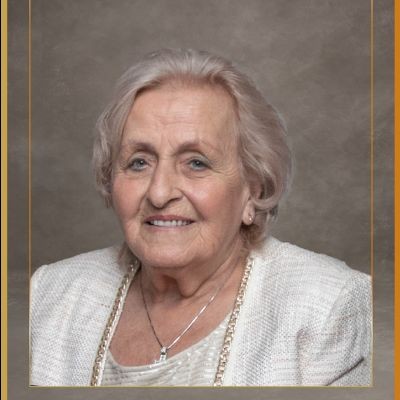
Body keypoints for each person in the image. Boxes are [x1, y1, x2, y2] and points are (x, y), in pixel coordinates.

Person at [30, 48, 371, 387]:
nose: (159, 193)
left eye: (196, 163)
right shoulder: (50, 292)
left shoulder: (328, 306)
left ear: (252, 189)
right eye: (139, 162)